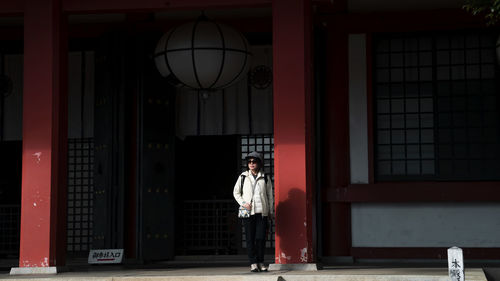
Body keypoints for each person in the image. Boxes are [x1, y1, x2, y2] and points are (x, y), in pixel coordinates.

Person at [233, 151, 274, 272]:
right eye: (249, 161)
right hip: (248, 212)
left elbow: (270, 196)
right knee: (250, 238)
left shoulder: (265, 177)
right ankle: (253, 263)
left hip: (262, 213)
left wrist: (270, 211)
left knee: (260, 238)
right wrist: (243, 203)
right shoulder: (243, 177)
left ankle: (261, 261)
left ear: (259, 163)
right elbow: (236, 192)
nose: (251, 163)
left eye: (254, 161)